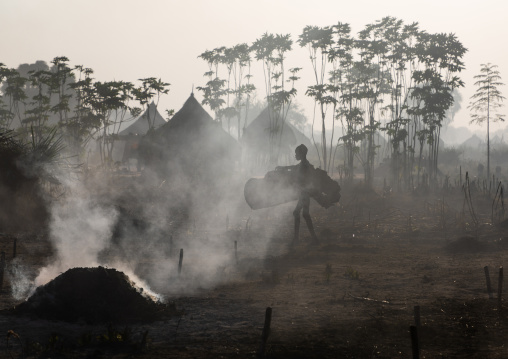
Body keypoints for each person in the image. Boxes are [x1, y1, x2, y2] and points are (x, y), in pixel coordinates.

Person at [276, 144, 319, 245]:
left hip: (305, 193)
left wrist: (285, 171)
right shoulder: (303, 164)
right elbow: (294, 167)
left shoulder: (304, 165)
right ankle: (312, 239)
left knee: (300, 213)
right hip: (304, 193)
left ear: (302, 154)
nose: (295, 155)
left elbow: (299, 175)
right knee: (304, 214)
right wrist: (283, 168)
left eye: (296, 153)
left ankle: (298, 239)